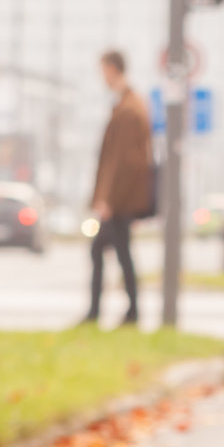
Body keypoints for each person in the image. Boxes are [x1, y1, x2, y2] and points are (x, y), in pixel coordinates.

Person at [83, 49, 154, 325]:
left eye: (102, 70)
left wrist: (108, 201)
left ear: (112, 69)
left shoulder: (128, 109)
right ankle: (128, 311)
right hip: (122, 200)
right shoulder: (130, 104)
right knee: (120, 253)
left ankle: (103, 312)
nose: (101, 77)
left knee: (107, 252)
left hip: (119, 202)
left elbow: (123, 163)